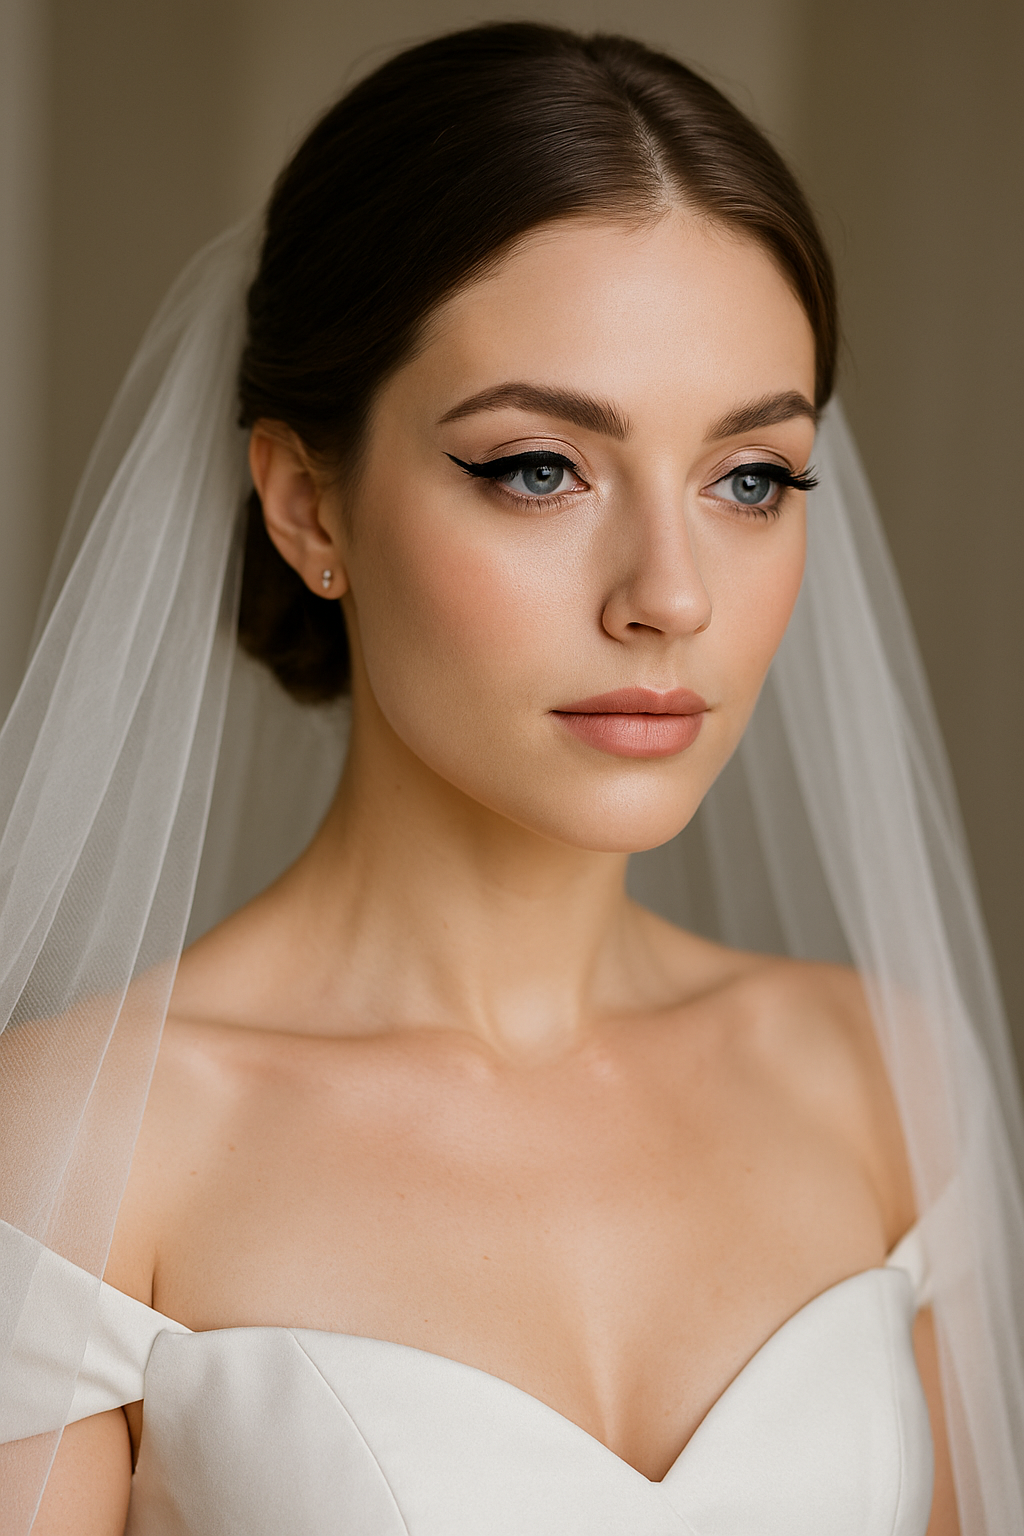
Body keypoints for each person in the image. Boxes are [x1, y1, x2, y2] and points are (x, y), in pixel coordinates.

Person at [2, 22, 1022, 1536]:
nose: (669, 595)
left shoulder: (887, 1084)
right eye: (540, 466)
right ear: (305, 501)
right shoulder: (88, 1150)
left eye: (751, 479)